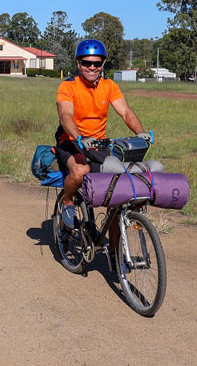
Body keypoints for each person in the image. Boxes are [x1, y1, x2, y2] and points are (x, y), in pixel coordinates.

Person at [55, 39, 152, 232]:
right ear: (78, 63)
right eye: (86, 63)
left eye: (97, 63)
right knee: (81, 171)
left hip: (98, 144)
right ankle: (67, 202)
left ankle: (116, 257)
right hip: (70, 141)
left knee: (118, 188)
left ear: (103, 65)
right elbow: (66, 117)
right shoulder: (68, 86)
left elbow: (125, 112)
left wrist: (140, 133)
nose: (92, 67)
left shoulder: (109, 86)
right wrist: (79, 137)